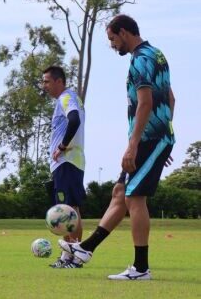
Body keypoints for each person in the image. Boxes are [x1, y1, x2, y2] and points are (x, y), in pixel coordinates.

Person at [61, 14, 175, 281]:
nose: (112, 45)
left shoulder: (140, 59)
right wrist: (164, 133)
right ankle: (87, 249)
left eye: (112, 39)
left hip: (148, 139)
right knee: (120, 192)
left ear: (124, 32)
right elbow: (170, 97)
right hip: (153, 138)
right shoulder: (157, 54)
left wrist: (138, 143)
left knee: (134, 199)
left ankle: (140, 268)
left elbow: (145, 103)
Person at [41, 66, 86, 269]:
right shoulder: (71, 98)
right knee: (72, 210)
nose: (44, 86)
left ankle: (71, 256)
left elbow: (74, 120)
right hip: (72, 162)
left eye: (47, 82)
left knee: (66, 211)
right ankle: (73, 255)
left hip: (66, 162)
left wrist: (62, 146)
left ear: (59, 81)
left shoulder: (66, 98)